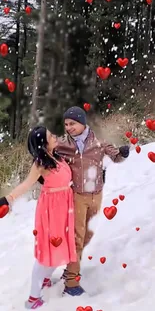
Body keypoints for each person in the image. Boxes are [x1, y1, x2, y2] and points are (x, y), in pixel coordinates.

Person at [55, 106, 130, 296]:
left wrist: (122, 153)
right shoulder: (62, 144)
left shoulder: (99, 142)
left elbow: (116, 157)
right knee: (77, 238)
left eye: (72, 123)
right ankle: (71, 282)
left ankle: (69, 269)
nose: (68, 127)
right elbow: (47, 158)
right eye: (66, 124)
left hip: (97, 195)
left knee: (87, 236)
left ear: (82, 123)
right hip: (77, 196)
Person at [0, 126, 77, 309]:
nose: (55, 136)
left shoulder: (57, 156)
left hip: (65, 206)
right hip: (51, 210)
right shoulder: (40, 164)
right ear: (43, 143)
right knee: (47, 252)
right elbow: (26, 184)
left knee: (60, 245)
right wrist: (8, 199)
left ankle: (45, 279)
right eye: (51, 136)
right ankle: (33, 298)